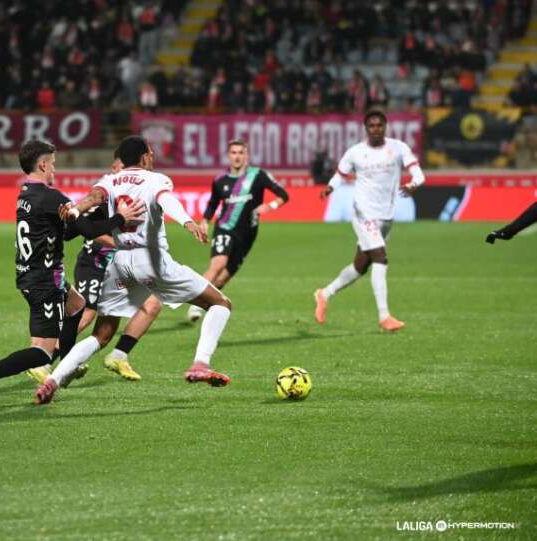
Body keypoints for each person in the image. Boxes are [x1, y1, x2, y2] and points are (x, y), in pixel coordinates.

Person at [34, 135, 234, 405]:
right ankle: (200, 363)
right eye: (150, 153)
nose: (153, 158)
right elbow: (166, 201)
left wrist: (74, 209)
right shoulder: (156, 179)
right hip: (151, 260)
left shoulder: (110, 180)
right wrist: (188, 222)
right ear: (143, 158)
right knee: (220, 303)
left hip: (120, 263)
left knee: (102, 333)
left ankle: (53, 380)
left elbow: (93, 198)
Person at [0, 140, 145, 406]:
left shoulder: (26, 195)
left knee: (77, 305)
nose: (54, 170)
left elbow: (68, 233)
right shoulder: (51, 197)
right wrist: (120, 218)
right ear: (43, 164)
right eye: (53, 164)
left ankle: (68, 365)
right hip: (43, 281)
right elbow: (91, 233)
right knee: (42, 354)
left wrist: (76, 218)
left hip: (35, 274)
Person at [28, 151, 163, 383]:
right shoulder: (103, 195)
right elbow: (86, 230)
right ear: (115, 169)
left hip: (120, 266)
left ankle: (118, 355)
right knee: (87, 312)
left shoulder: (136, 191)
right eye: (123, 169)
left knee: (152, 303)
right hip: (95, 263)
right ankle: (46, 360)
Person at [313, 109, 424, 332]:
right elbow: (340, 174)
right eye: (372, 126)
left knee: (360, 266)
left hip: (386, 215)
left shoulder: (398, 148)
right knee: (380, 258)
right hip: (363, 213)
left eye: (379, 125)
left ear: (385, 127)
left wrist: (413, 185)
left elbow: (419, 175)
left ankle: (324, 294)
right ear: (366, 128)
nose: (376, 129)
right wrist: (330, 187)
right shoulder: (355, 152)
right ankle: (384, 316)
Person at [187, 140, 289, 322]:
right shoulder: (220, 180)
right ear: (229, 156)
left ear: (247, 156)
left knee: (221, 281)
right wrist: (204, 221)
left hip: (248, 235)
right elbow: (212, 204)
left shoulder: (258, 175)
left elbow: (283, 195)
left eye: (241, 152)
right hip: (225, 228)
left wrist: (270, 206)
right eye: (234, 152)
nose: (237, 156)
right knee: (217, 265)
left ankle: (204, 306)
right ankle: (195, 306)